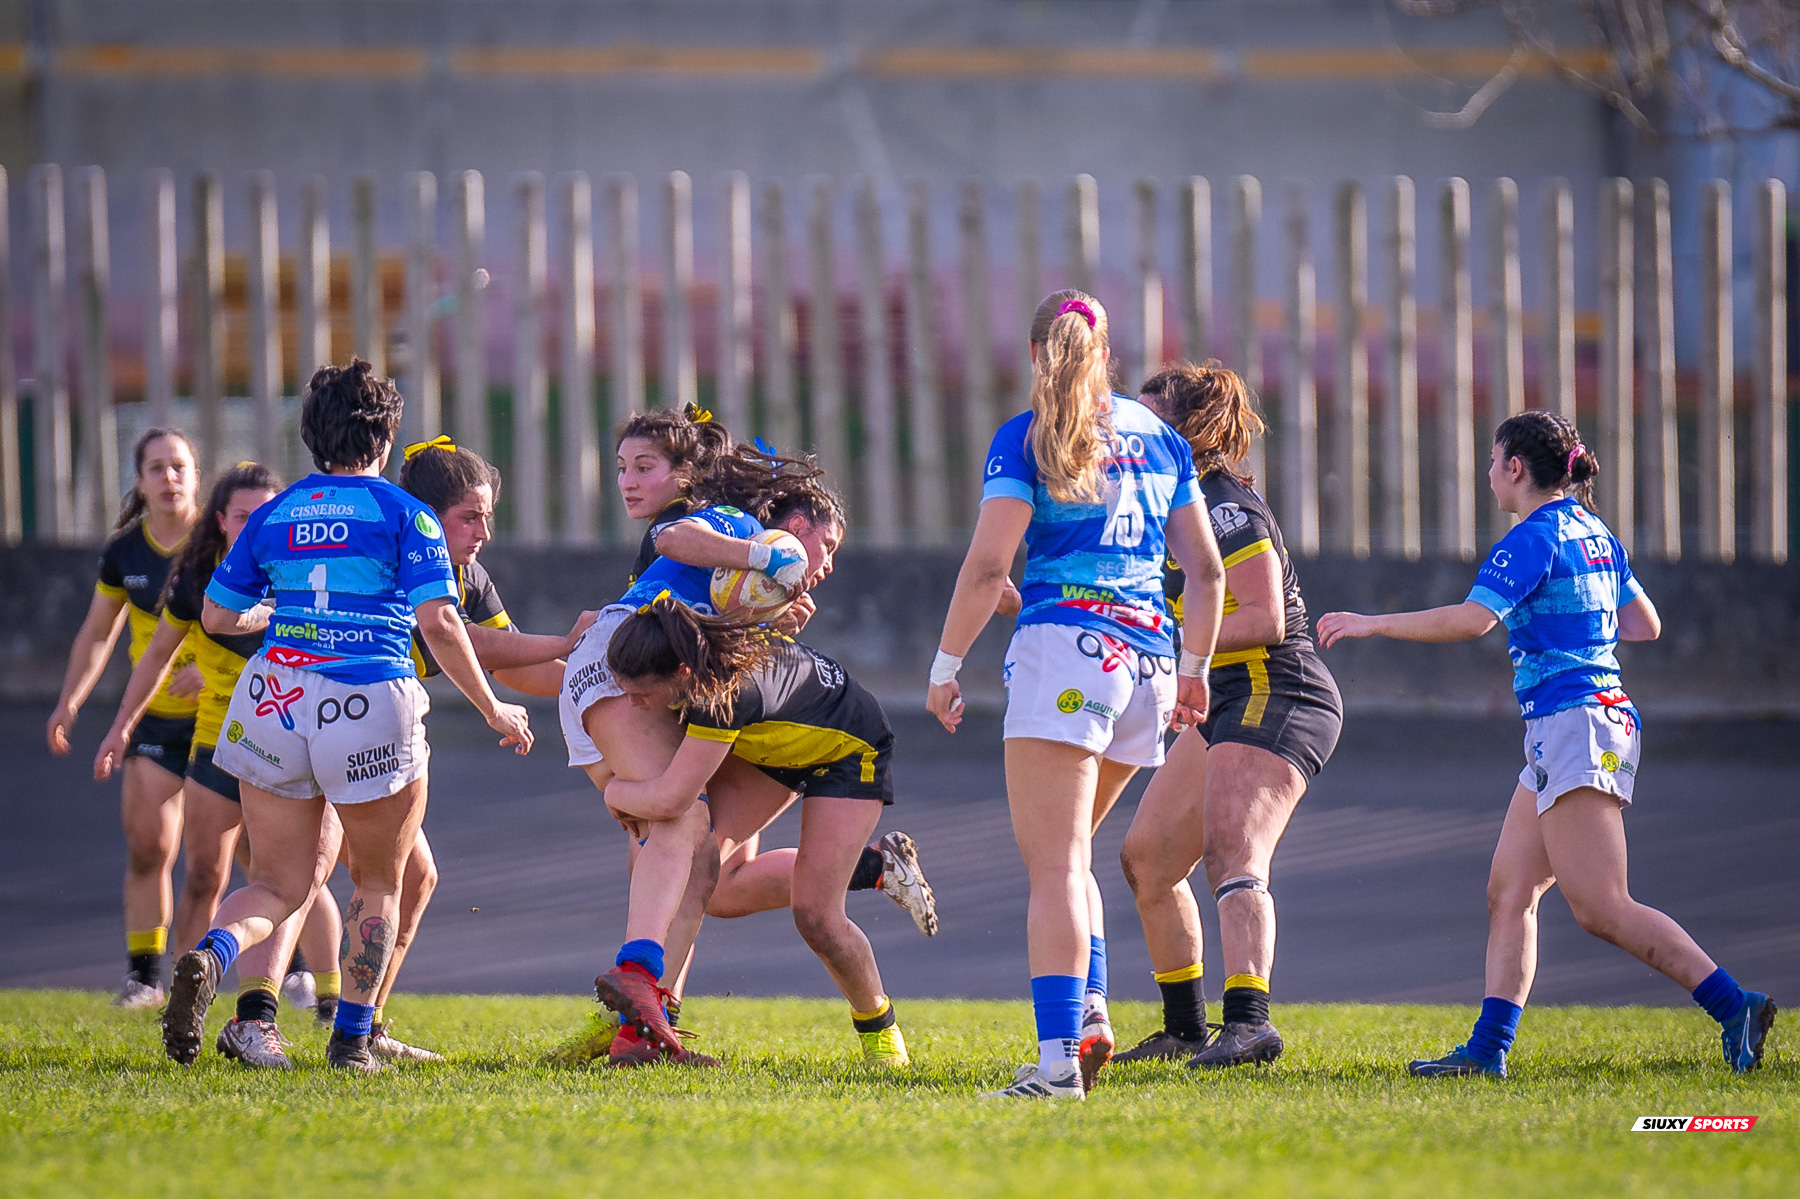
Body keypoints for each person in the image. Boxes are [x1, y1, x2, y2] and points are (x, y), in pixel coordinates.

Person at [1316, 410, 1776, 1077]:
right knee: (1510, 889)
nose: (1488, 472)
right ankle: (1486, 1051)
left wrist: (1371, 622)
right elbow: (1642, 622)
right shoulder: (1591, 529)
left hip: (1576, 725)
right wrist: (1579, 623)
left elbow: (1474, 620)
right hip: (1580, 724)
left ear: (1515, 467)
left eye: (1493, 458)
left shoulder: (1533, 535)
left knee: (1602, 905)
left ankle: (1736, 1003)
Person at [160, 359, 533, 1074]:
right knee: (379, 883)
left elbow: (215, 614)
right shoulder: (404, 513)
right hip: (367, 700)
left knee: (276, 881)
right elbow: (443, 621)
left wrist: (275, 612)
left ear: (310, 436)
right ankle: (353, 1040)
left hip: (273, 696)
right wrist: (493, 706)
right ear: (387, 438)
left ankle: (210, 953)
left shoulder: (273, 512)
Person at [926, 290, 1226, 1100]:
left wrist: (945, 666)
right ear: (1107, 356)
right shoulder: (1159, 435)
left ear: (1036, 356)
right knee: (1076, 853)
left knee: (1053, 864)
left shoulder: (1026, 436)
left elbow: (990, 569)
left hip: (1069, 654)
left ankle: (1058, 1061)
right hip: (1150, 665)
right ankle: (1090, 1014)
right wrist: (1194, 665)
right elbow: (1206, 570)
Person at [1115, 362, 1343, 1071]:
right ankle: (1186, 1028)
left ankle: (1250, 1024)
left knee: (1233, 851)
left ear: (1185, 433)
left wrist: (1165, 638)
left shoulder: (1221, 504)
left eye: (1148, 422)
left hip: (1281, 690)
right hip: (1225, 696)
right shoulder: (1172, 509)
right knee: (1147, 859)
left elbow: (1266, 617)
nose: (1131, 434)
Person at [92, 462, 346, 1065]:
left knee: (301, 878)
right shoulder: (199, 580)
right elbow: (156, 656)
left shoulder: (306, 573)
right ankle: (188, 1002)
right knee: (207, 874)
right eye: (241, 514)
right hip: (220, 744)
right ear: (220, 520)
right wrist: (119, 727)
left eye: (266, 513)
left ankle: (332, 999)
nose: (254, 524)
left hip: (296, 746)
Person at [47, 427, 202, 1008]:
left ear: (195, 474)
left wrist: (214, 675)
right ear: (139, 481)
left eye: (179, 466)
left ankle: (288, 975)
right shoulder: (124, 552)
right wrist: (70, 700)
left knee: (246, 857)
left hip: (224, 716)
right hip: (154, 720)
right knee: (149, 846)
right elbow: (96, 633)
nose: (169, 478)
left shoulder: (223, 542)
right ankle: (144, 976)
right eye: (156, 468)